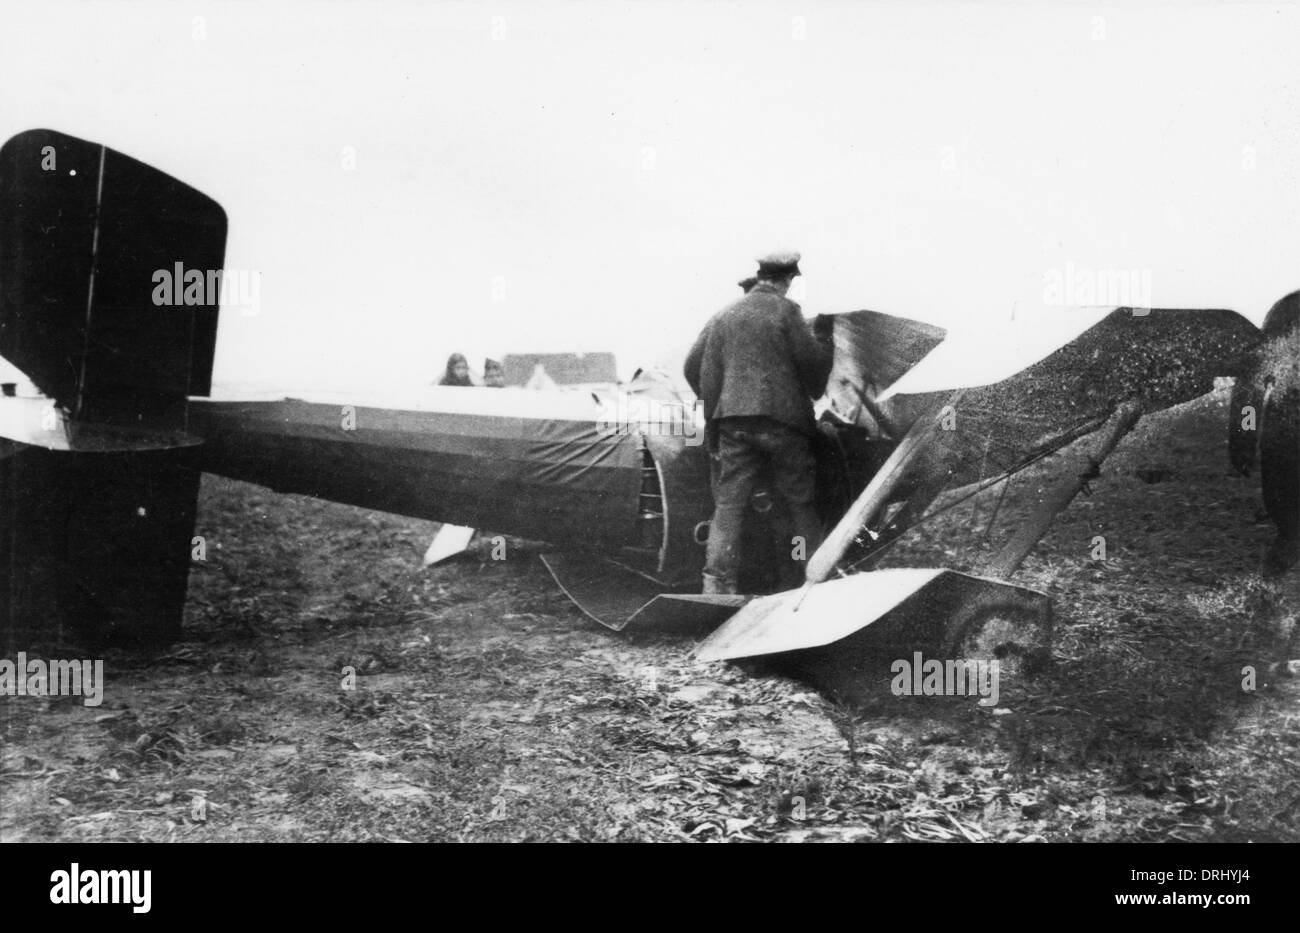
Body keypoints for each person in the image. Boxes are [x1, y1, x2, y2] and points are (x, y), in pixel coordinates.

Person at [684, 251, 834, 594]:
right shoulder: (787, 311)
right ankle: (810, 579)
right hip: (783, 425)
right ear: (789, 279)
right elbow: (814, 377)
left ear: (759, 276)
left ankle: (716, 587)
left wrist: (714, 422)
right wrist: (825, 340)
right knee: (798, 503)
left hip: (733, 425)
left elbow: (699, 371)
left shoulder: (723, 316)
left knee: (728, 507)